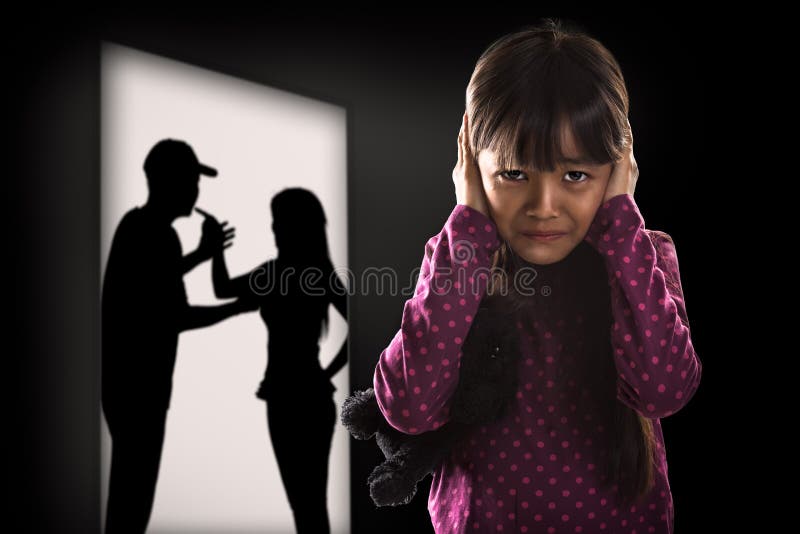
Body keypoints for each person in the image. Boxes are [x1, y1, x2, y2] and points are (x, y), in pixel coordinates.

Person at [372, 19, 702, 534]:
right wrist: (468, 236)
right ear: (471, 167)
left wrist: (621, 225)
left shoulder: (641, 257)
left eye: (576, 175)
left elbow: (664, 391)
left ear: (617, 168)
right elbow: (409, 408)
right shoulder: (459, 263)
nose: (544, 207)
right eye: (515, 173)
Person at [102, 139, 258, 534]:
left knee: (129, 497)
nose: (195, 190)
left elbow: (154, 283)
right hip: (141, 392)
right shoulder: (155, 235)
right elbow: (174, 314)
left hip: (130, 390)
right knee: (132, 503)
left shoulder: (139, 229)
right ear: (168, 181)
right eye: (190, 180)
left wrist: (203, 255)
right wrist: (238, 307)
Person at [205, 187, 348, 534]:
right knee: (311, 501)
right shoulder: (316, 273)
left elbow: (222, 289)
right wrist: (325, 373)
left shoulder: (275, 274)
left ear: (292, 227)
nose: (274, 229)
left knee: (304, 502)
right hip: (309, 396)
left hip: (285, 398)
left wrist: (215, 250)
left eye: (278, 222)